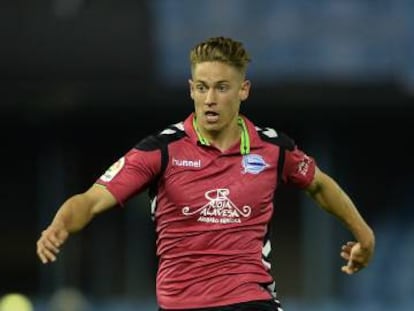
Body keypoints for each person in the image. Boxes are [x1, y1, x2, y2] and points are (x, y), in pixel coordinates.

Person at [36, 36, 375, 311]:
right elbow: (92, 201)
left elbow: (318, 185)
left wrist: (364, 235)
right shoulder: (161, 150)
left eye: (222, 87)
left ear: (243, 90)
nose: (210, 99)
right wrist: (60, 225)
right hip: (182, 304)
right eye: (202, 87)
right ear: (190, 89)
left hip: (249, 297)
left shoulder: (273, 148)